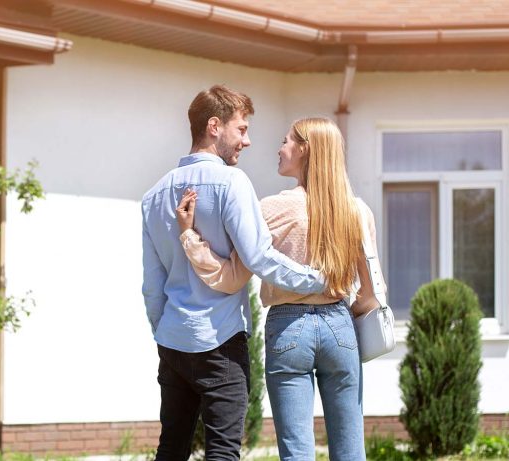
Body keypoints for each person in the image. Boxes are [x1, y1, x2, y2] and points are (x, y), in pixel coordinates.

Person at [175, 117, 383, 461]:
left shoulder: (270, 209)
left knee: (296, 451)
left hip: (289, 328)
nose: (279, 148)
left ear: (305, 149)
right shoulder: (357, 210)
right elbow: (371, 292)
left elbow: (231, 276)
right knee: (350, 450)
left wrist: (190, 236)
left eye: (286, 141)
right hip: (340, 325)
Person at [141, 85, 327, 461]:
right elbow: (260, 257)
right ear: (214, 126)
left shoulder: (154, 196)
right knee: (223, 453)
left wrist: (165, 333)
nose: (248, 140)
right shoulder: (231, 183)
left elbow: (152, 285)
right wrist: (318, 280)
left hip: (173, 341)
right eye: (241, 129)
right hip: (221, 340)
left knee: (170, 450)